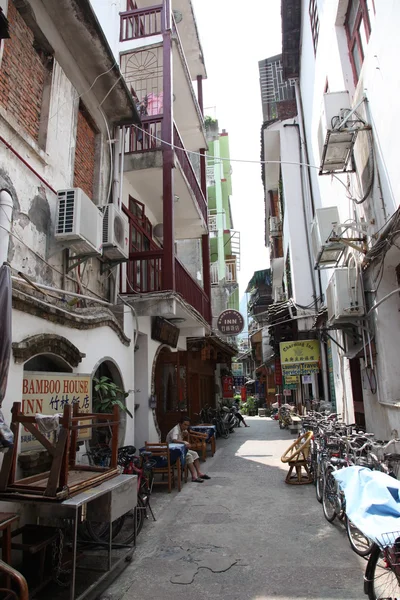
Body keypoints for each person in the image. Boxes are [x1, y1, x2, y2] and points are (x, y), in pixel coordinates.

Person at [166, 416, 211, 483]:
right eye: (185, 425)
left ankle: (199, 473)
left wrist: (185, 435)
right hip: (172, 452)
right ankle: (194, 476)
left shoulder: (183, 429)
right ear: (180, 423)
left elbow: (184, 435)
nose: (186, 427)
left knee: (195, 454)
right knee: (189, 456)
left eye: (187, 425)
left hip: (180, 449)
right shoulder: (176, 429)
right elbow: (174, 440)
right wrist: (184, 442)